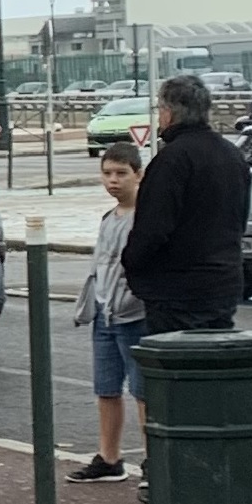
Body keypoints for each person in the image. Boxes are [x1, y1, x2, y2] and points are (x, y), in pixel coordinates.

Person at [121, 71, 252, 333]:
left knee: (175, 367)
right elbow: (240, 219)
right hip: (224, 284)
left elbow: (152, 228)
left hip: (176, 291)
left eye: (159, 109)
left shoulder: (172, 160)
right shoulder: (232, 155)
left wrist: (130, 262)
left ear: (169, 113)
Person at [72, 138, 146, 481]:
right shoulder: (108, 217)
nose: (113, 180)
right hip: (104, 313)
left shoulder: (144, 217)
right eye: (107, 173)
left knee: (144, 392)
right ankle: (109, 457)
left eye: (121, 173)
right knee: (106, 388)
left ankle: (153, 461)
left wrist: (132, 299)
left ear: (138, 175)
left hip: (133, 315)